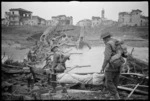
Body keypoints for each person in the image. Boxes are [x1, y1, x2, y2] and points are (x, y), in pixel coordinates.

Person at [100, 32, 128, 100]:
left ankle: (116, 97)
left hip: (111, 66)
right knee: (115, 80)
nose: (103, 41)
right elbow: (125, 55)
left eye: (103, 39)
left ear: (106, 38)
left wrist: (103, 67)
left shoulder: (108, 44)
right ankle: (111, 94)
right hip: (119, 64)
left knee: (108, 82)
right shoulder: (117, 42)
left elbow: (107, 58)